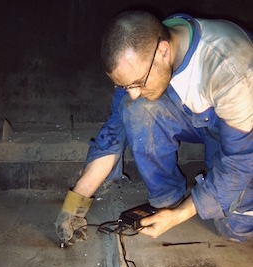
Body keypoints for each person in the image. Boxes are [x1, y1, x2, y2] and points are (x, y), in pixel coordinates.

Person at [55, 10, 253, 245]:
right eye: (125, 86)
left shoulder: (232, 71)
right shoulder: (145, 53)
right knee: (134, 108)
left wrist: (181, 216)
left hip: (240, 136)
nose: (133, 92)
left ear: (164, 52)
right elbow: (114, 133)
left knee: (234, 229)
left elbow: (239, 161)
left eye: (137, 83)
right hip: (205, 120)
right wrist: (75, 203)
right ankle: (168, 200)